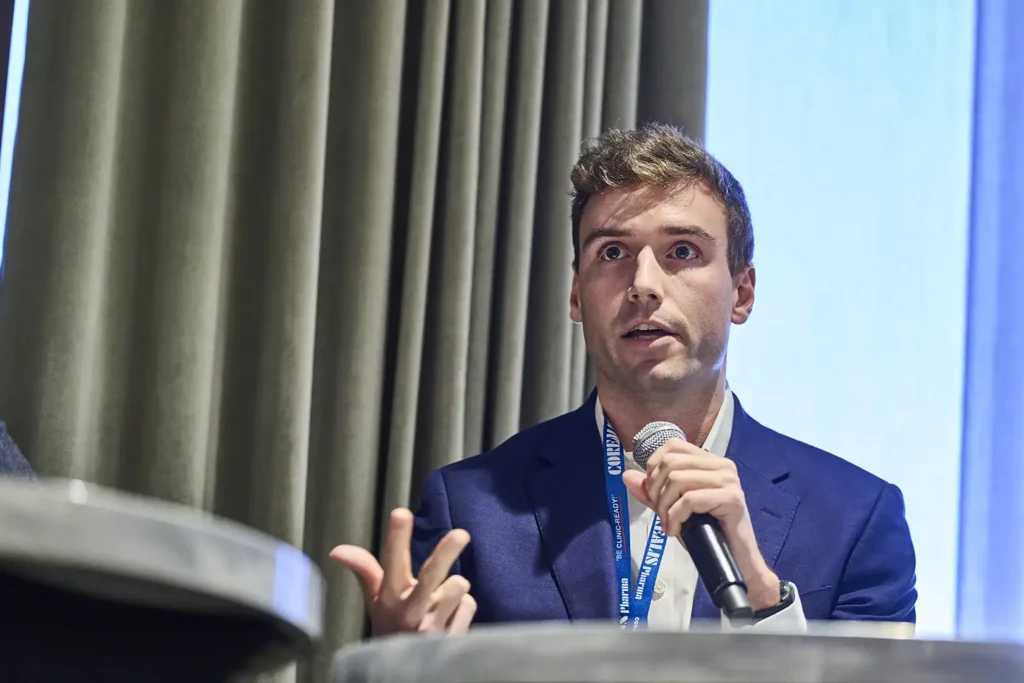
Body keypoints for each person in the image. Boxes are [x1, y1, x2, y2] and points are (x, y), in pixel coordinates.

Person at [331, 124, 917, 637]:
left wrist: (762, 596)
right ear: (576, 295)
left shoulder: (857, 519)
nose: (644, 285)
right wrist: (400, 665)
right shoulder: (471, 510)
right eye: (612, 253)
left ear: (742, 293)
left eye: (682, 251)